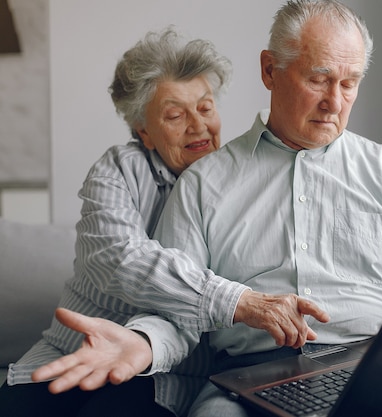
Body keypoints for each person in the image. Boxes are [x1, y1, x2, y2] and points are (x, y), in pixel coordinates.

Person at [28, 1, 382, 416]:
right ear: (269, 70)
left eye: (350, 83)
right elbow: (178, 317)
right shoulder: (204, 184)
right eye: (319, 78)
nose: (335, 101)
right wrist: (142, 343)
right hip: (247, 383)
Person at [0, 28, 237, 417]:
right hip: (71, 353)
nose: (198, 125)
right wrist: (232, 301)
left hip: (164, 376)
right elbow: (120, 259)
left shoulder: (238, 186)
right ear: (144, 131)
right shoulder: (119, 169)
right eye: (176, 114)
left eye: (206, 107)